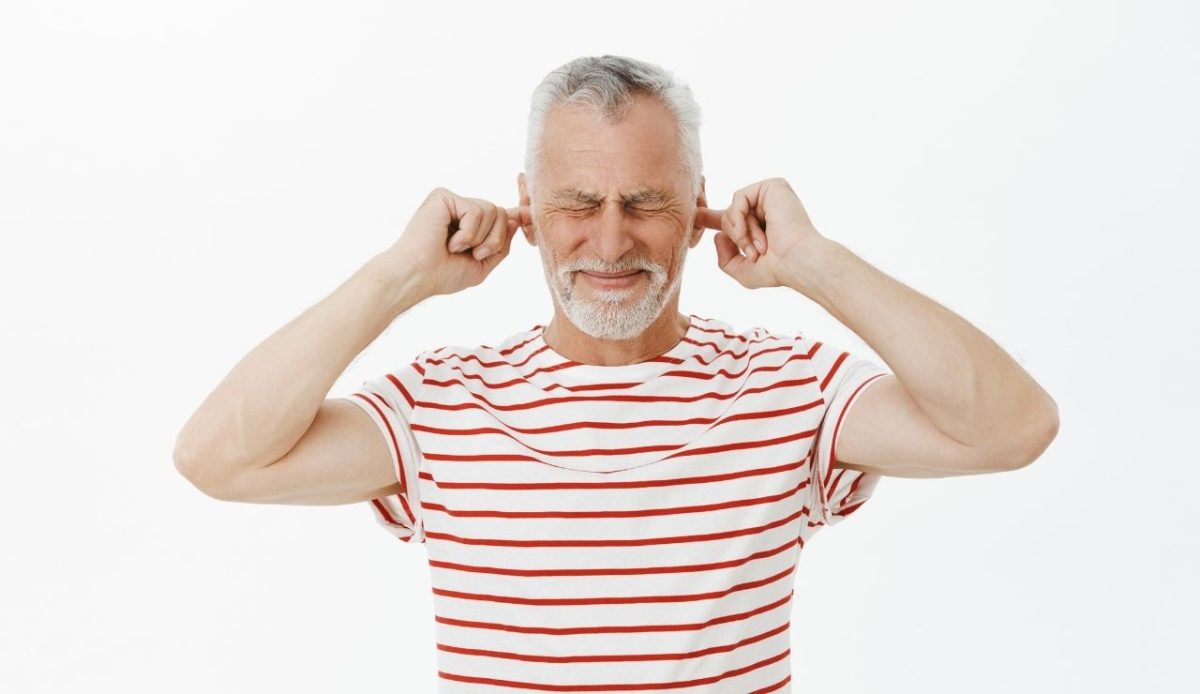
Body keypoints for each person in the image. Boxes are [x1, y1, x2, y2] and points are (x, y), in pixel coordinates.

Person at [175, 55, 1059, 692]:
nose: (608, 243)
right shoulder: (444, 402)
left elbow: (1013, 427)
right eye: (576, 203)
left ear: (697, 204)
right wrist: (397, 277)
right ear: (526, 204)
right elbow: (219, 460)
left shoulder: (789, 390)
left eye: (644, 203)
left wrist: (814, 262)